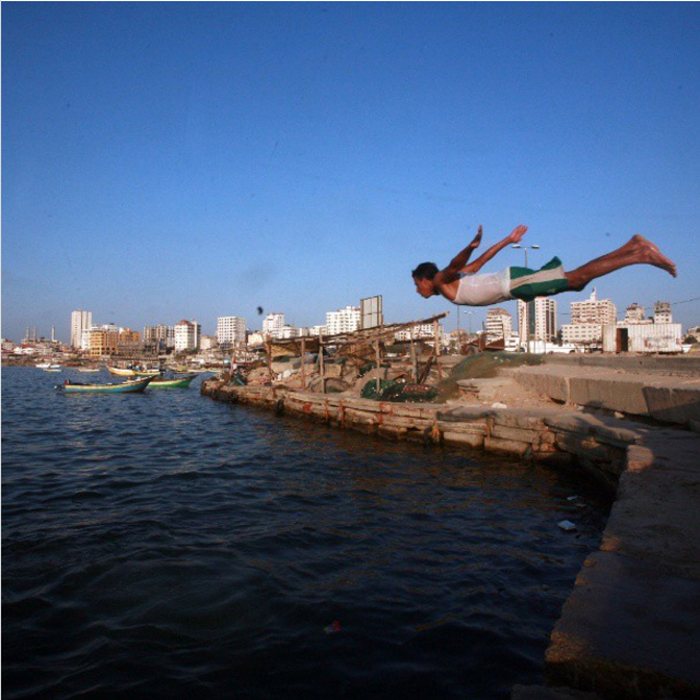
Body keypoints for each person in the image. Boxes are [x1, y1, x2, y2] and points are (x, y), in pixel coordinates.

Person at [412, 224, 677, 306]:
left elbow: (453, 264)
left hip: (514, 283)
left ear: (426, 279)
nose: (417, 290)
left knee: (576, 278)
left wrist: (470, 246)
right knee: (576, 283)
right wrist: (508, 240)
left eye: (416, 285)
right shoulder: (455, 281)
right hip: (514, 285)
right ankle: (633, 250)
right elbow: (483, 260)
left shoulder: (441, 282)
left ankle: (638, 252)